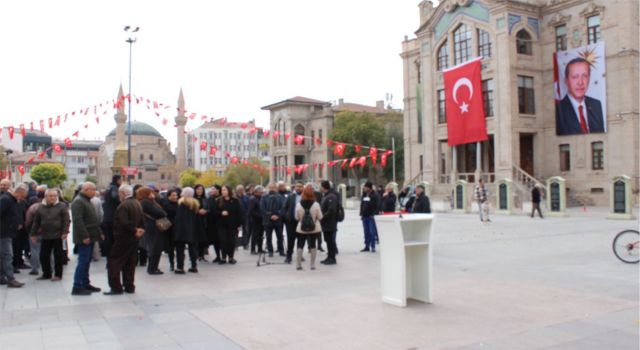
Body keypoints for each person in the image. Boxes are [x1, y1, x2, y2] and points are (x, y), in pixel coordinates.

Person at [105, 184, 145, 295]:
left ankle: (116, 287)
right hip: (133, 239)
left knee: (114, 262)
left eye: (119, 194)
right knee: (130, 263)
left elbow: (123, 222)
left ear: (123, 193)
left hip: (123, 238)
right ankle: (129, 286)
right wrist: (140, 230)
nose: (118, 196)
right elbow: (142, 219)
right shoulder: (136, 203)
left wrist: (134, 230)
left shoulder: (124, 205)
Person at [556, 57, 605, 136]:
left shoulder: (596, 105)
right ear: (566, 81)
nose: (580, 82)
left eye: (584, 76)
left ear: (589, 78)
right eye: (575, 77)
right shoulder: (558, 110)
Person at [29, 189, 70, 281]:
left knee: (58, 256)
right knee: (43, 255)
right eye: (51, 196)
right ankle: (46, 273)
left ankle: (58, 275)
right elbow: (36, 221)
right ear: (46, 197)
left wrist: (65, 232)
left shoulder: (62, 206)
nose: (53, 198)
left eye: (55, 196)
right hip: (45, 235)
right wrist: (33, 234)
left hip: (58, 235)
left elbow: (66, 220)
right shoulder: (41, 207)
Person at [70, 182, 103, 295]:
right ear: (86, 189)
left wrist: (99, 233)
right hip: (85, 237)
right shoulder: (78, 201)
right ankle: (77, 286)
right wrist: (84, 236)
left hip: (91, 235)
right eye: (93, 190)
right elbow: (78, 221)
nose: (94, 192)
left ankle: (85, 283)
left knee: (87, 261)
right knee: (83, 261)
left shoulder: (87, 200)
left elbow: (93, 220)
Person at [0, 184, 28, 288]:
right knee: (7, 256)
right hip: (3, 233)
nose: (21, 199)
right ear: (18, 192)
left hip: (8, 232)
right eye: (21, 196)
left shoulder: (11, 199)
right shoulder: (6, 199)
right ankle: (10, 279)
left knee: (4, 256)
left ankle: (2, 277)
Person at [294, 184, 323, 270]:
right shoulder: (316, 204)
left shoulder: (299, 204)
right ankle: (312, 265)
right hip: (314, 228)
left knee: (300, 245)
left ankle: (298, 265)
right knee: (313, 245)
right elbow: (320, 217)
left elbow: (296, 217)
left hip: (302, 228)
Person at [139, 188, 168, 275]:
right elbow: (161, 213)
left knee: (157, 247)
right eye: (150, 193)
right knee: (155, 247)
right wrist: (161, 211)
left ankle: (154, 267)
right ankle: (152, 268)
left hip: (154, 226)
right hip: (152, 227)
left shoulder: (151, 201)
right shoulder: (145, 202)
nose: (153, 194)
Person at [173, 187, 200, 273]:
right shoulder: (195, 204)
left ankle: (180, 267)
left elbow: (179, 218)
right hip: (192, 229)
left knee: (180, 249)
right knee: (192, 248)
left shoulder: (182, 204)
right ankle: (194, 266)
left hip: (181, 230)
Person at [214, 185, 243, 264]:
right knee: (223, 241)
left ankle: (231, 257)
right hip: (221, 224)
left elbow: (239, 213)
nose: (223, 192)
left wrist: (239, 224)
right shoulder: (218, 200)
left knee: (231, 241)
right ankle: (223, 257)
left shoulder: (235, 200)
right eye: (222, 190)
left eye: (225, 190)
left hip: (232, 224)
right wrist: (221, 213)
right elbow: (214, 212)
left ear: (229, 191)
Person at [25, 185, 46, 275]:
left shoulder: (33, 207)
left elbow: (28, 221)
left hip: (34, 232)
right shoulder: (49, 207)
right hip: (47, 232)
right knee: (48, 250)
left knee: (34, 250)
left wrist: (29, 230)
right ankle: (50, 267)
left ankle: (35, 268)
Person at [261, 183, 285, 257]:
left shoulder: (280, 197)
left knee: (280, 236)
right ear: (268, 188)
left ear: (276, 188)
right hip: (268, 220)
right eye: (270, 187)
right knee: (268, 237)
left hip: (278, 220)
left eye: (273, 187)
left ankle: (281, 250)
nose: (272, 189)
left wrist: (278, 215)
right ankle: (270, 251)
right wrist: (270, 216)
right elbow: (262, 208)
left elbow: (283, 207)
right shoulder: (264, 197)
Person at [101, 175, 122, 259]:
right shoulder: (114, 188)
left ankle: (109, 258)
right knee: (112, 239)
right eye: (120, 179)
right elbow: (115, 197)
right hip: (112, 218)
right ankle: (112, 258)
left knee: (108, 238)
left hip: (107, 217)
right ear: (117, 180)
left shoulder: (109, 187)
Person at [282, 182, 303, 264]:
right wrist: (286, 217)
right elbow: (284, 207)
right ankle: (289, 256)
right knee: (291, 240)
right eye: (297, 186)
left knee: (301, 240)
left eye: (300, 186)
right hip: (291, 222)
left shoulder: (305, 197)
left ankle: (299, 256)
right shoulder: (290, 197)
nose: (298, 188)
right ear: (295, 188)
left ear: (303, 187)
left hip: (301, 222)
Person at [319, 180, 339, 265]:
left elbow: (331, 210)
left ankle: (332, 258)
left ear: (324, 187)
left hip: (330, 223)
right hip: (325, 223)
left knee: (330, 240)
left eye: (320, 186)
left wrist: (322, 216)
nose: (320, 188)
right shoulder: (325, 196)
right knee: (328, 240)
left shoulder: (331, 197)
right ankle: (329, 256)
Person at [161, 189, 180, 271]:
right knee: (170, 248)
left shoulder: (180, 204)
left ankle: (180, 264)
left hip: (178, 228)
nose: (175, 197)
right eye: (173, 195)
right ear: (169, 196)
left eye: (176, 195)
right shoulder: (165, 204)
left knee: (179, 247)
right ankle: (172, 264)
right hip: (169, 228)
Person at [359, 182, 379, 253]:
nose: (364, 188)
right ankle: (366, 246)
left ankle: (373, 246)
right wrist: (361, 214)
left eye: (365, 187)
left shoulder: (375, 195)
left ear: (369, 188)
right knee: (366, 232)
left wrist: (374, 215)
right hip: (365, 216)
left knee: (372, 232)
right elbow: (362, 205)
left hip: (371, 217)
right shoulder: (364, 195)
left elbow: (377, 206)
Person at [206, 185, 222, 262]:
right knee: (216, 241)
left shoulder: (222, 198)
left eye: (213, 189)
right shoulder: (210, 199)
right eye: (211, 189)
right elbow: (208, 208)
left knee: (222, 240)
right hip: (212, 223)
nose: (212, 190)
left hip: (221, 222)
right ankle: (218, 256)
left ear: (218, 190)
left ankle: (225, 256)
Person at [193, 184, 209, 261]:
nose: (199, 191)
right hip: (195, 221)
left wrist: (205, 211)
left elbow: (209, 208)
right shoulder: (192, 199)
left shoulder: (205, 199)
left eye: (201, 189)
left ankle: (201, 255)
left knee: (202, 238)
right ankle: (195, 254)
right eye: (198, 189)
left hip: (203, 220)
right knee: (195, 239)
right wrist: (197, 211)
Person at [248, 186, 265, 254]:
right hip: (255, 220)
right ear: (256, 192)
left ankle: (260, 248)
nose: (262, 193)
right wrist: (259, 215)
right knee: (255, 235)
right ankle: (253, 249)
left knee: (261, 235)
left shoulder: (262, 198)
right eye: (260, 192)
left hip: (262, 220)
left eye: (262, 192)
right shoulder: (253, 199)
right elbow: (250, 211)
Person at [90, 188, 104, 262]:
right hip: (96, 222)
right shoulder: (97, 200)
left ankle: (90, 255)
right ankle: (96, 255)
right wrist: (99, 222)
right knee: (95, 240)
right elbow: (101, 213)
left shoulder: (81, 200)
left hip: (87, 224)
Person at [236, 185, 250, 250]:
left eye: (241, 189)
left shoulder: (246, 197)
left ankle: (245, 244)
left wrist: (247, 213)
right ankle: (236, 244)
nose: (240, 191)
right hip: (237, 216)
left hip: (245, 216)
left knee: (246, 230)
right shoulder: (235, 197)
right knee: (236, 231)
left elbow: (248, 206)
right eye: (239, 189)